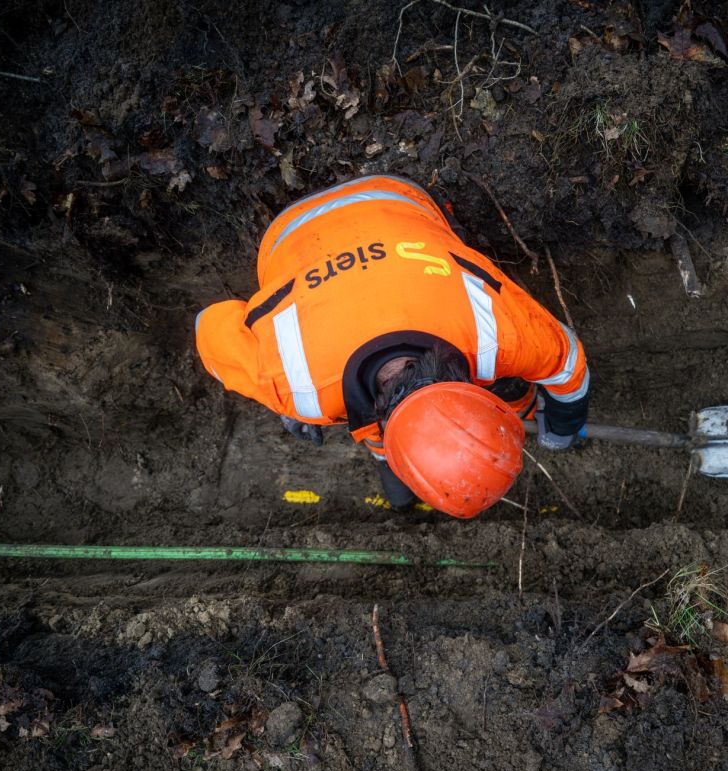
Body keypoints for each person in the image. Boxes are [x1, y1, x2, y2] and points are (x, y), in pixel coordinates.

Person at [194, 175, 589, 518]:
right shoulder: (297, 388)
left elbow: (567, 362)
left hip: (391, 203)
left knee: (502, 391)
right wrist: (282, 398)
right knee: (359, 415)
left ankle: (395, 473)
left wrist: (562, 424)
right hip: (315, 226)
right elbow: (206, 325)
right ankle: (394, 468)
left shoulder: (495, 333)